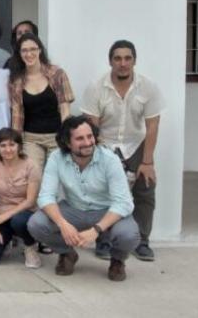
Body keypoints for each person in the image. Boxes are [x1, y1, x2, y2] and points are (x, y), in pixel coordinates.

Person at [28, 115, 139, 282]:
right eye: (80, 138)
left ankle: (117, 260)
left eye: (90, 136)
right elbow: (45, 197)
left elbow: (123, 203)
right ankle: (67, 254)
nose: (88, 142)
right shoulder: (56, 158)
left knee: (128, 235)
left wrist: (96, 230)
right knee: (36, 224)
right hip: (74, 208)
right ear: (67, 142)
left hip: (107, 211)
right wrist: (62, 224)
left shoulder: (110, 159)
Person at [82, 40, 163, 261]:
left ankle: (142, 241)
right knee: (104, 193)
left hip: (136, 144)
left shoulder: (148, 87)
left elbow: (153, 124)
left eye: (127, 58)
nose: (123, 63)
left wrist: (147, 162)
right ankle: (104, 240)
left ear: (134, 61)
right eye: (117, 58)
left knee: (145, 188)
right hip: (105, 144)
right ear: (110, 61)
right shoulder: (96, 87)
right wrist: (102, 158)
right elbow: (92, 126)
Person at [0, 128, 42, 267]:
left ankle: (30, 246)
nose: (8, 150)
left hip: (25, 214)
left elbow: (30, 200)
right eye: (3, 145)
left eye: (12, 145)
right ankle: (7, 240)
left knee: (18, 221)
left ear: (19, 146)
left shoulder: (31, 165)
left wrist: (3, 217)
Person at [9, 33, 74, 168]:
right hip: (31, 138)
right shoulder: (16, 81)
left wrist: (66, 137)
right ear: (19, 54)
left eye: (33, 49)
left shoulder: (57, 74)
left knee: (56, 177)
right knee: (33, 177)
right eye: (24, 50)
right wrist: (16, 143)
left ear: (40, 50)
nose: (29, 54)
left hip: (56, 136)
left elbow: (65, 108)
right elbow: (16, 116)